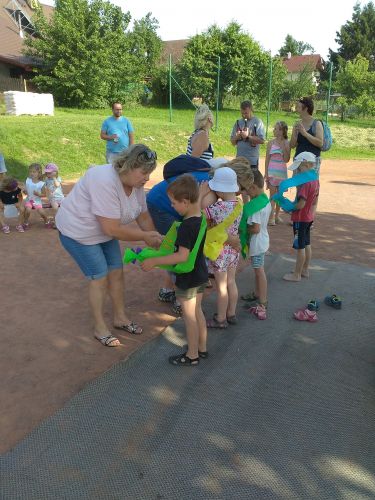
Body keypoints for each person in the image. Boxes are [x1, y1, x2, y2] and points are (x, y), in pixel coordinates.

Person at [55, 144, 163, 347]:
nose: (147, 178)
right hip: (78, 232)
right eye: (144, 172)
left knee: (116, 272)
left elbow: (143, 214)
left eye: (150, 173)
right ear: (128, 167)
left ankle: (120, 318)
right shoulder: (104, 179)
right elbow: (111, 229)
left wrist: (155, 238)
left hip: (102, 231)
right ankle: (99, 327)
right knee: (100, 277)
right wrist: (145, 237)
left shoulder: (136, 185)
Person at [141, 175, 208, 366]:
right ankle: (202, 348)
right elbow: (199, 204)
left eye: (173, 203)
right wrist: (200, 193)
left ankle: (192, 355)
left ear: (186, 202)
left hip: (188, 278)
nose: (171, 206)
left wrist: (154, 261)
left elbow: (181, 256)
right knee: (198, 312)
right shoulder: (199, 216)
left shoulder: (186, 226)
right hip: (201, 273)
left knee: (189, 317)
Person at [202, 167, 242, 328]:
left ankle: (220, 319)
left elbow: (199, 214)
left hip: (221, 251)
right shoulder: (239, 204)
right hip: (233, 251)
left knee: (221, 287)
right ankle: (231, 313)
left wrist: (201, 194)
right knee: (231, 282)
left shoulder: (218, 208)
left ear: (219, 190)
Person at [283, 152, 319, 282]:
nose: (298, 171)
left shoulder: (305, 183)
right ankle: (304, 269)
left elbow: (301, 204)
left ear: (308, 164)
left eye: (300, 167)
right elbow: (314, 201)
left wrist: (289, 209)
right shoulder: (315, 180)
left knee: (300, 247)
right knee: (307, 243)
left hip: (300, 219)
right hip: (309, 217)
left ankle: (296, 274)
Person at [242, 171, 272, 320]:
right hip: (263, 241)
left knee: (259, 271)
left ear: (253, 187)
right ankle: (257, 293)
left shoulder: (254, 208)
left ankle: (263, 301)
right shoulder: (264, 200)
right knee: (257, 270)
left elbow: (255, 228)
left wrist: (242, 229)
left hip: (257, 243)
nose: (246, 192)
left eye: (247, 189)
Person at [265, 121, 290, 225]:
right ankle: (270, 218)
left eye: (276, 129)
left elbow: (286, 159)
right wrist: (266, 173)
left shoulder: (286, 143)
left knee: (279, 195)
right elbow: (267, 158)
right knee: (272, 196)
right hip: (272, 173)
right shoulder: (271, 143)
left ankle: (276, 216)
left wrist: (285, 147)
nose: (274, 130)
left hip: (282, 174)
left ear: (281, 131)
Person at [290, 97, 323, 173]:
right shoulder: (297, 124)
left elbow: (320, 143)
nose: (296, 109)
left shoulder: (317, 123)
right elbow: (292, 145)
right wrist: (295, 133)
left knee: (310, 184)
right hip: (298, 160)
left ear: (306, 109)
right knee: (299, 184)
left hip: (312, 163)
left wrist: (305, 134)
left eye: (298, 107)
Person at [230, 100, 265, 171]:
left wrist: (247, 137)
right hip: (239, 160)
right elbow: (232, 142)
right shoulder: (238, 122)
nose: (244, 115)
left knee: (252, 181)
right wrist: (237, 137)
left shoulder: (258, 122)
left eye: (246, 113)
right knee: (239, 181)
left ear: (251, 110)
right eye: (242, 113)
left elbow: (262, 140)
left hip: (252, 161)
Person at [23, 163, 49, 229]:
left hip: (37, 201)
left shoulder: (41, 183)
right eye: (30, 171)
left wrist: (39, 194)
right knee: (28, 210)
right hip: (29, 200)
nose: (32, 173)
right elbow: (25, 189)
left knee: (41, 212)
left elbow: (44, 194)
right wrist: (25, 191)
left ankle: (47, 221)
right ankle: (25, 222)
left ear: (39, 173)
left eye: (34, 172)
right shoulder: (28, 180)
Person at [44, 163, 65, 228]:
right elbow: (46, 188)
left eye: (50, 173)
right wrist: (48, 195)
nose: (48, 174)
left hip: (61, 197)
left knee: (66, 207)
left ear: (55, 172)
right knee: (55, 208)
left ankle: (65, 221)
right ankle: (56, 223)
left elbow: (57, 185)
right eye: (47, 173)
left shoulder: (58, 178)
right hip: (53, 198)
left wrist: (54, 178)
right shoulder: (46, 180)